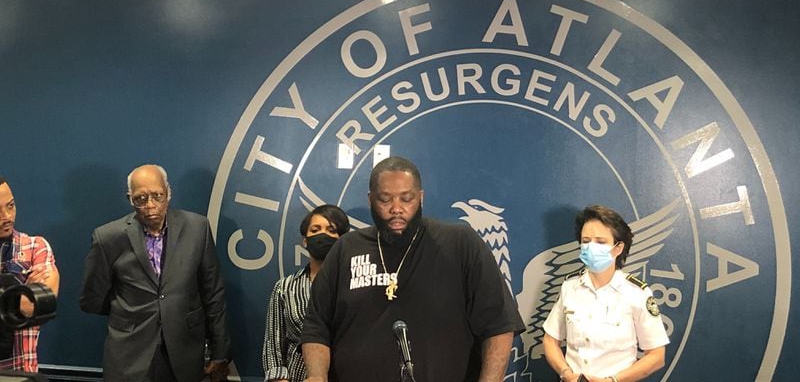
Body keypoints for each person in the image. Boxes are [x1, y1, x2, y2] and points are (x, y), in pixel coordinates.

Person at [301, 156, 523, 382]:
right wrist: (317, 375)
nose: (396, 209)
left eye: (407, 199)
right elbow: (316, 326)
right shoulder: (346, 249)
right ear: (370, 200)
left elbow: (498, 325)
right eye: (385, 200)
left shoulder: (460, 243)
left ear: (421, 198)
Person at [80, 164, 231, 382]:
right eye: (141, 199)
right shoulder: (108, 237)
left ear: (168, 193)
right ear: (130, 198)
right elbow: (92, 299)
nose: (150, 205)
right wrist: (130, 311)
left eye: (157, 196)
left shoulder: (197, 228)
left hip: (185, 352)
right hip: (129, 356)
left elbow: (213, 294)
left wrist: (220, 352)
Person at [542, 204, 669, 382]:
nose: (591, 247)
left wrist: (613, 380)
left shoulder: (636, 293)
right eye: (586, 241)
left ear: (618, 248)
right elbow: (550, 340)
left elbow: (656, 356)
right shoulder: (569, 287)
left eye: (600, 242)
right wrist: (565, 373)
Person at [262, 204, 350, 382]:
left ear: (342, 239)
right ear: (305, 240)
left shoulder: (356, 285)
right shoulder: (285, 288)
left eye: (330, 230)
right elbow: (274, 347)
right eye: (315, 230)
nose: (322, 235)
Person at [0, 175, 59, 372]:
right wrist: (24, 289)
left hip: (22, 373)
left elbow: (36, 306)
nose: (6, 216)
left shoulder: (35, 247)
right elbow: (23, 304)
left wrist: (7, 296)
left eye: (10, 206)